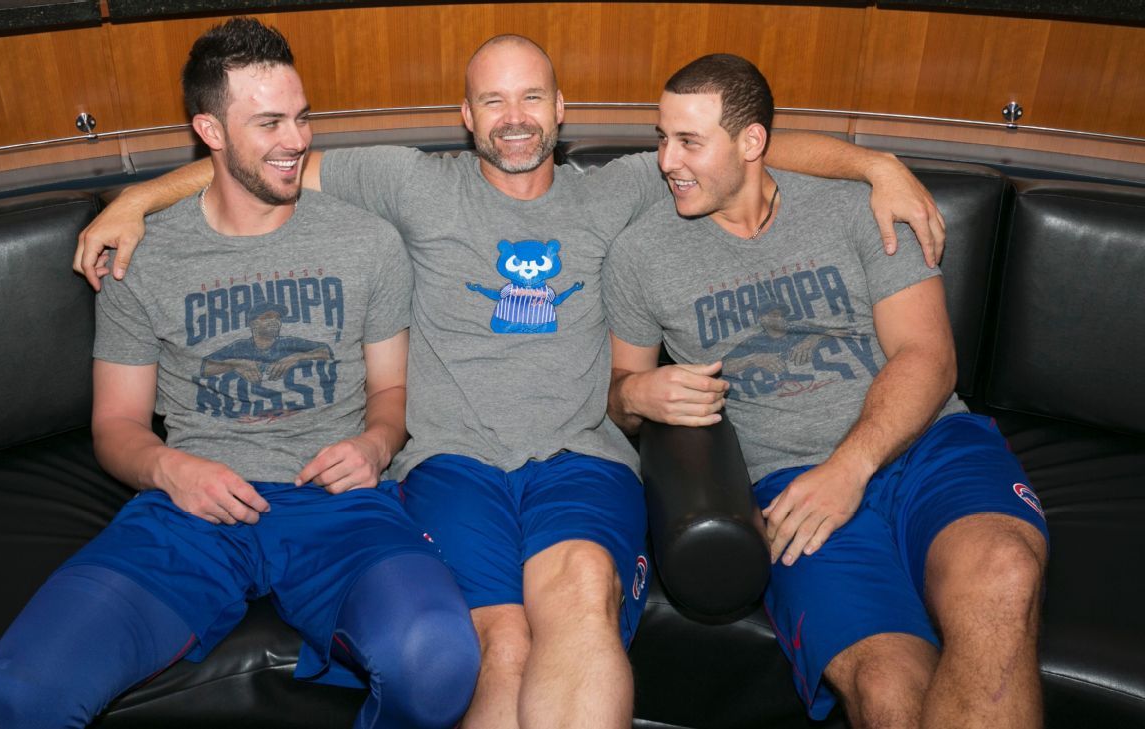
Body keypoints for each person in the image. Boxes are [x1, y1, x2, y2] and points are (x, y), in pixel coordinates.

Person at [72, 34, 946, 729]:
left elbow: (750, 148)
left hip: (583, 459)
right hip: (450, 465)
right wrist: (135, 201)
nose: (516, 117)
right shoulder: (412, 182)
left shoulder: (621, 189)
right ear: (466, 115)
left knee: (575, 600)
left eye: (532, 96)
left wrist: (879, 166)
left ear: (562, 110)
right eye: (494, 99)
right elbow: (256, 159)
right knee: (500, 643)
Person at [0, 18, 479, 729]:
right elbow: (116, 426)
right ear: (210, 130)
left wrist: (374, 445)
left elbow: (390, 394)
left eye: (302, 118)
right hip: (192, 509)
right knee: (16, 696)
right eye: (269, 123)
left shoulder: (368, 242)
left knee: (440, 663)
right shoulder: (141, 259)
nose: (296, 141)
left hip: (335, 503)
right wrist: (172, 469)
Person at [604, 53, 1048, 728]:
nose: (666, 160)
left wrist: (849, 469)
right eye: (661, 138)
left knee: (1002, 574)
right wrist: (637, 394)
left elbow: (928, 357)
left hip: (926, 446)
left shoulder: (855, 212)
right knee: (888, 692)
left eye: (688, 141)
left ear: (752, 144)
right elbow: (616, 388)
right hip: (786, 484)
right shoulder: (639, 254)